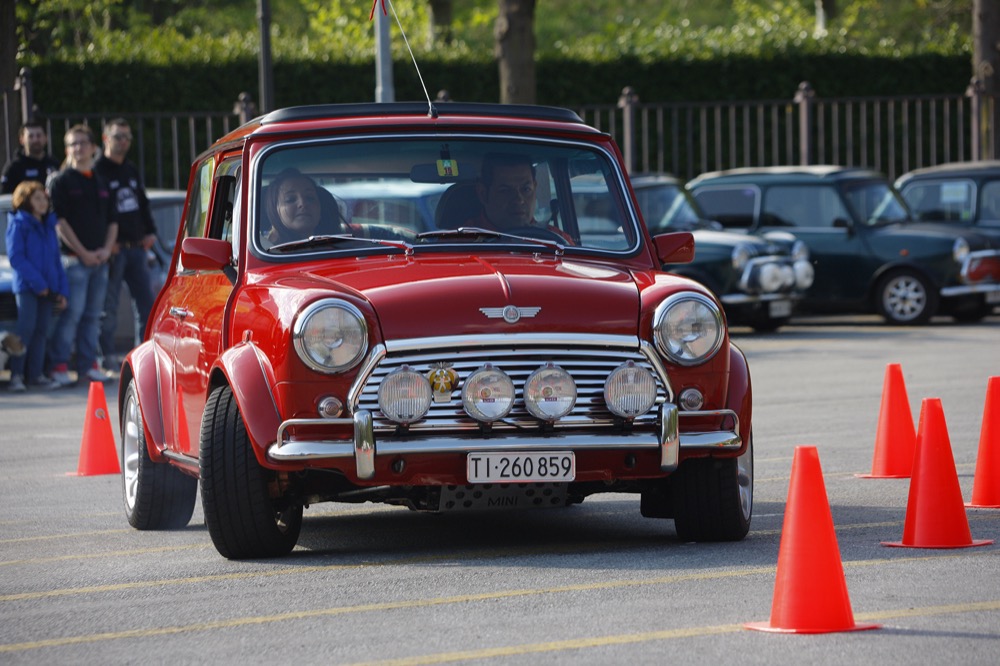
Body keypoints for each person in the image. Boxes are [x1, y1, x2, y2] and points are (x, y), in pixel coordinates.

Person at [46, 124, 117, 387]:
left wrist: (106, 250)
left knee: (93, 316)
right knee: (72, 315)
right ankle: (59, 367)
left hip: (100, 261)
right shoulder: (61, 181)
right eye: (72, 144)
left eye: (82, 143)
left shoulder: (101, 180)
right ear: (67, 150)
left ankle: (88, 367)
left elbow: (113, 221)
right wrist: (84, 252)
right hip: (75, 261)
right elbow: (60, 223)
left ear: (93, 147)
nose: (78, 148)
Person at [94, 119, 157, 370]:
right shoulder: (98, 170)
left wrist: (150, 231)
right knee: (108, 306)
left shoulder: (130, 168)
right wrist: (107, 243)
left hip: (137, 248)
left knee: (146, 304)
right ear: (105, 139)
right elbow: (96, 213)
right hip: (114, 250)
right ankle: (107, 357)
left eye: (127, 137)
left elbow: (142, 203)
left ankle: (142, 357)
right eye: (118, 137)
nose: (123, 142)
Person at [4, 181, 68, 391]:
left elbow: (56, 260)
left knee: (42, 332)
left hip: (48, 289)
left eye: (44, 198)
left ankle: (36, 375)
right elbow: (17, 258)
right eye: (37, 198)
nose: (43, 202)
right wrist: (38, 283)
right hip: (28, 288)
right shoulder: (18, 224)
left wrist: (61, 290)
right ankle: (16, 375)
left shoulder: (49, 225)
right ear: (25, 200)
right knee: (25, 331)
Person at [469, 152, 573, 243]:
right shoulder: (464, 241)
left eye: (526, 189)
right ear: (483, 194)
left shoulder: (558, 241)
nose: (519, 200)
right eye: (505, 190)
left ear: (535, 188)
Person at [262, 168, 345, 246]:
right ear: (274, 210)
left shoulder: (343, 248)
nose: (302, 203)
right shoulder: (266, 251)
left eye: (310, 198)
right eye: (290, 199)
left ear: (321, 207)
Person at [1, 122, 62, 194]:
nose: (35, 140)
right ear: (22, 140)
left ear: (46, 138)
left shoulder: (53, 164)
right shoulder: (14, 168)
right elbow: (4, 194)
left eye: (38, 135)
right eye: (30, 136)